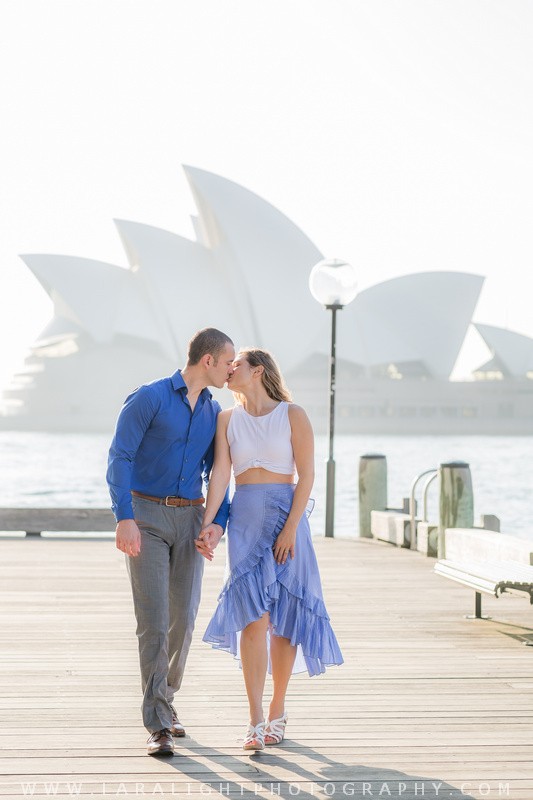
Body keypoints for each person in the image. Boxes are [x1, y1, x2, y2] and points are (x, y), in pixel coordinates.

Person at [195, 348, 343, 751]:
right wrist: (210, 526)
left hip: (286, 518)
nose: (229, 369)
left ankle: (278, 708)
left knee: (286, 614)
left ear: (257, 370)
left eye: (236, 364)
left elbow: (308, 474)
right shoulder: (227, 419)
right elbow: (222, 475)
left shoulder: (292, 414)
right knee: (252, 618)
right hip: (245, 520)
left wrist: (292, 528)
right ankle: (255, 717)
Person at [106, 327, 235, 757]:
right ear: (208, 361)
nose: (232, 368)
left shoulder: (213, 411)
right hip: (146, 517)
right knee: (155, 619)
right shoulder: (150, 398)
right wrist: (124, 517)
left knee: (184, 617)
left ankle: (166, 699)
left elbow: (220, 472)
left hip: (191, 517)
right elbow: (119, 457)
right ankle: (158, 721)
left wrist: (218, 522)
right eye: (228, 360)